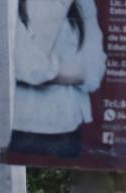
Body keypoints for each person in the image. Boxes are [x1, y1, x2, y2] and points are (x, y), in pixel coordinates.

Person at [9, 0, 105, 159]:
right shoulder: (13, 5)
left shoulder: (83, 4)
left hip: (68, 131)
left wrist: (46, 72)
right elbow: (32, 68)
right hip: (23, 130)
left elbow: (94, 70)